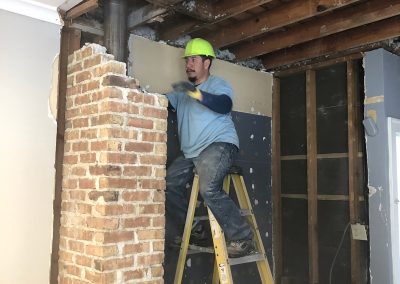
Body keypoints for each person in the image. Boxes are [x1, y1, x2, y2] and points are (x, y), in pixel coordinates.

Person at [164, 38, 254, 258]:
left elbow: (224, 105)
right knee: (168, 185)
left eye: (194, 59)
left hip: (218, 145)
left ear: (207, 63)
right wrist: (137, 94)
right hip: (191, 154)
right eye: (187, 60)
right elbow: (161, 102)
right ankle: (196, 231)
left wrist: (194, 93)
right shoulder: (181, 94)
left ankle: (242, 238)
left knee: (209, 189)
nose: (188, 64)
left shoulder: (217, 84)